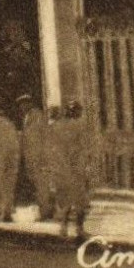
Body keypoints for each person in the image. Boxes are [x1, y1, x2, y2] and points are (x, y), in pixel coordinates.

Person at [53, 100, 95, 240]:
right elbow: (84, 148)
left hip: (62, 169)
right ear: (77, 112)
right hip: (76, 169)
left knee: (64, 199)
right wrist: (87, 166)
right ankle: (79, 228)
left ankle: (63, 228)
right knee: (80, 200)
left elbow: (52, 149)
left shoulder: (57, 126)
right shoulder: (80, 127)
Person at [18, 95, 55, 221]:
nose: (21, 107)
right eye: (20, 105)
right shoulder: (27, 117)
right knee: (38, 185)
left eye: (24, 104)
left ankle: (45, 212)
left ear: (29, 103)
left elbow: (41, 138)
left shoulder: (37, 116)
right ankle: (46, 210)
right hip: (31, 157)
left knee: (42, 185)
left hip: (39, 157)